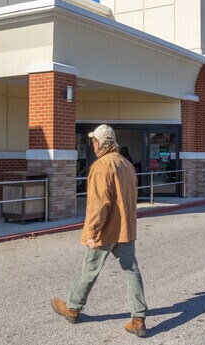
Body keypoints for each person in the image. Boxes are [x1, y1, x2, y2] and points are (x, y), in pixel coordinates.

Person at [51, 124, 148, 337]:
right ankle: (138, 318)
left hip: (105, 230)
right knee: (131, 270)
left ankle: (73, 308)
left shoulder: (100, 166)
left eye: (94, 141)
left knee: (90, 269)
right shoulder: (127, 164)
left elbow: (98, 204)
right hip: (125, 228)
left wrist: (91, 234)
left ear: (101, 144)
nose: (93, 145)